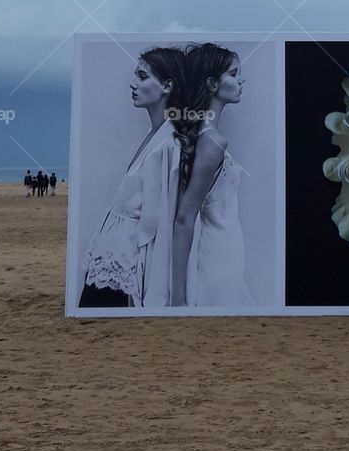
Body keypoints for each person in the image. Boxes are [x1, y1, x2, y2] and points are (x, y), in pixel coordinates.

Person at [79, 46, 184, 308]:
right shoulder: (154, 135)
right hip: (110, 258)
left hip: (125, 265)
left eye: (142, 76)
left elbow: (160, 224)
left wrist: (153, 292)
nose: (132, 83)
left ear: (168, 85)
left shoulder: (169, 144)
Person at [171, 42, 253, 308]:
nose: (241, 80)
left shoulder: (206, 139)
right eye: (233, 73)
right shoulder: (213, 142)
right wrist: (178, 297)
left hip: (225, 253)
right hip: (217, 259)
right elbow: (184, 218)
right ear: (212, 83)